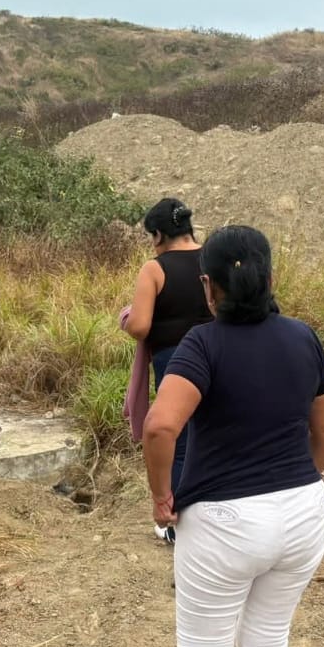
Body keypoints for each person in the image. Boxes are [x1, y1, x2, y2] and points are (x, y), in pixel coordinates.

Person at [142, 225, 324, 647]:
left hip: (226, 522)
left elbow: (159, 427)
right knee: (267, 641)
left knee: (203, 646)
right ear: (271, 278)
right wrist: (304, 480)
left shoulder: (203, 345)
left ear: (209, 287)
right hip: (304, 513)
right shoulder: (303, 337)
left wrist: (160, 497)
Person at [122, 198, 213, 542]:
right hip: (217, 356)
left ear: (158, 234)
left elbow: (140, 326)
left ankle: (178, 526)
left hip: (175, 361)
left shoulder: (155, 269)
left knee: (178, 441)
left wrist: (126, 317)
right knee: (212, 435)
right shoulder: (213, 257)